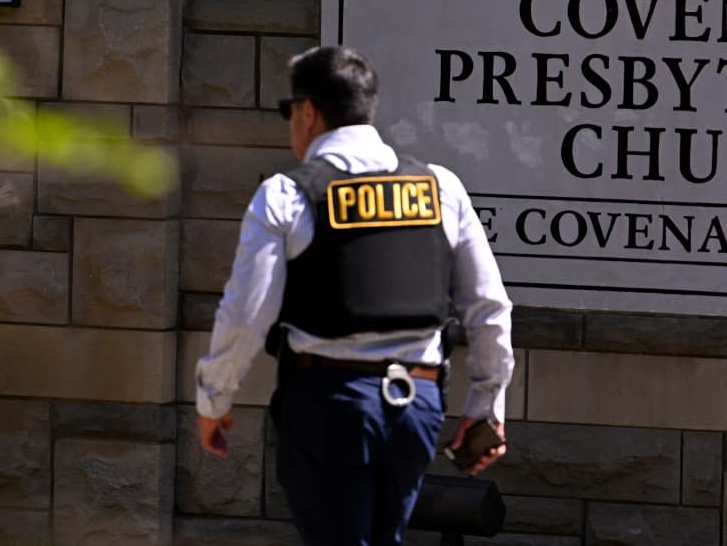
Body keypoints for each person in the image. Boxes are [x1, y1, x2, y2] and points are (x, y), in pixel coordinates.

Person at [195, 45, 514, 545]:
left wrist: (214, 398)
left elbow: (246, 313)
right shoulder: (441, 187)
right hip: (416, 404)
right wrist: (485, 402)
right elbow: (489, 307)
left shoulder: (287, 194)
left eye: (289, 112)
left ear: (307, 111)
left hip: (330, 404)